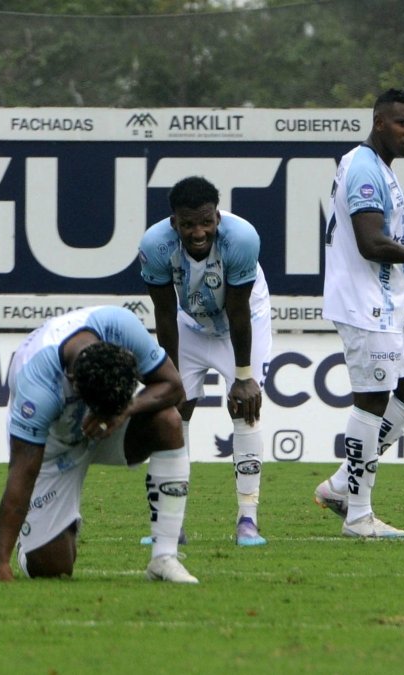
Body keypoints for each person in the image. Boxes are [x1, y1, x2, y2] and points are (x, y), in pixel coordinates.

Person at [314, 88, 404, 539]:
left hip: (388, 300)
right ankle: (358, 516)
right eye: (402, 124)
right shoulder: (364, 168)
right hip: (364, 302)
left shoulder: (382, 169)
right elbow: (370, 243)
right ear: (379, 122)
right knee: (371, 401)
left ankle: (340, 486)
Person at [0, 305, 198, 584]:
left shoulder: (121, 326)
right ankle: (36, 539)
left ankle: (164, 557)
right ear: (73, 383)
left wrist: (125, 409)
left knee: (168, 422)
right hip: (54, 447)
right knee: (55, 568)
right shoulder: (38, 386)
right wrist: (0, 564)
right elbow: (22, 471)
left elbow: (174, 387)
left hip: (109, 425)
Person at [138, 175, 273, 547]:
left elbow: (238, 309)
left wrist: (243, 375)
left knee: (246, 406)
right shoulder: (155, 245)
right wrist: (171, 378)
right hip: (190, 322)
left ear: (217, 216)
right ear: (173, 222)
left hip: (242, 323)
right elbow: (164, 316)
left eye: (206, 222)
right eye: (188, 224)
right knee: (173, 411)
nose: (199, 232)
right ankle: (169, 524)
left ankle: (248, 520)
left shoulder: (242, 238)